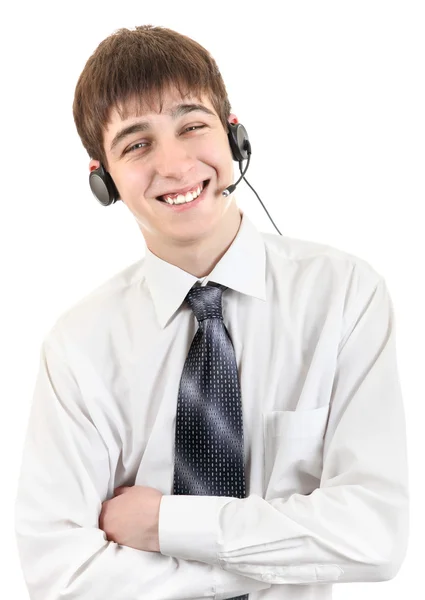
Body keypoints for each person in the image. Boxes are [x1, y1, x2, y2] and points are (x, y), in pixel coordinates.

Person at [14, 24, 409, 600]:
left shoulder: (344, 296)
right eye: (136, 143)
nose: (173, 165)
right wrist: (281, 554)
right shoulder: (78, 346)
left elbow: (374, 535)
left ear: (234, 136)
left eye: (191, 125)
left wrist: (164, 525)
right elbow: (61, 574)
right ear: (104, 182)